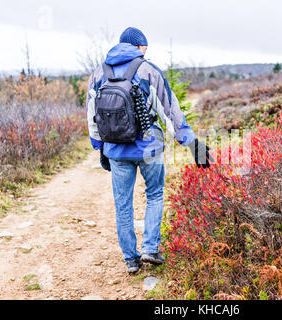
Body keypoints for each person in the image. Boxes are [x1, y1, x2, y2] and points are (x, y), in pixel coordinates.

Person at [86, 27, 213, 273]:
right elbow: (170, 110)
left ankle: (131, 260)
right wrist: (191, 143)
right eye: (145, 48)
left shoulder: (98, 73)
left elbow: (92, 117)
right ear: (140, 47)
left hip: (116, 151)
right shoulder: (148, 70)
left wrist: (100, 147)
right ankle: (150, 250)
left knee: (123, 205)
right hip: (149, 148)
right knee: (154, 195)